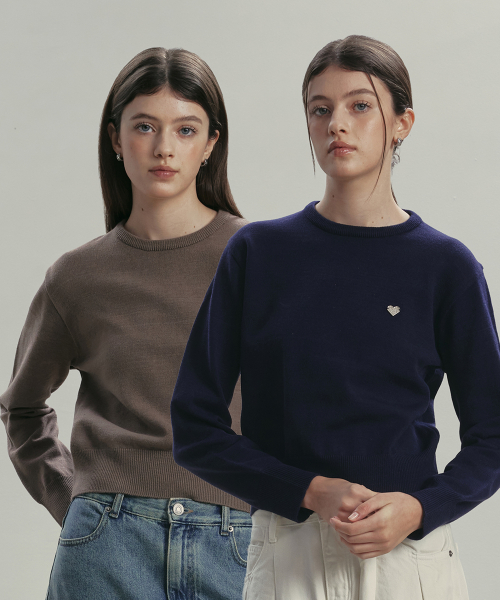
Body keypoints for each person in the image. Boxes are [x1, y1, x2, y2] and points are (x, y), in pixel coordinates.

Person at [170, 35, 500, 599]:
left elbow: (493, 435)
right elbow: (195, 428)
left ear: (402, 123)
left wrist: (421, 508)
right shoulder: (258, 255)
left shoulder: (446, 266)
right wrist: (308, 490)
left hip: (408, 560)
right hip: (289, 551)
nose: (336, 124)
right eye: (319, 109)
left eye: (360, 105)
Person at [0, 47, 251, 600]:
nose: (164, 148)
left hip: (236, 545)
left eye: (186, 129)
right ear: (115, 138)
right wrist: (73, 500)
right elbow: (22, 408)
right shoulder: (77, 277)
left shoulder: (259, 260)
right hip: (106, 546)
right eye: (145, 126)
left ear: (211, 143)